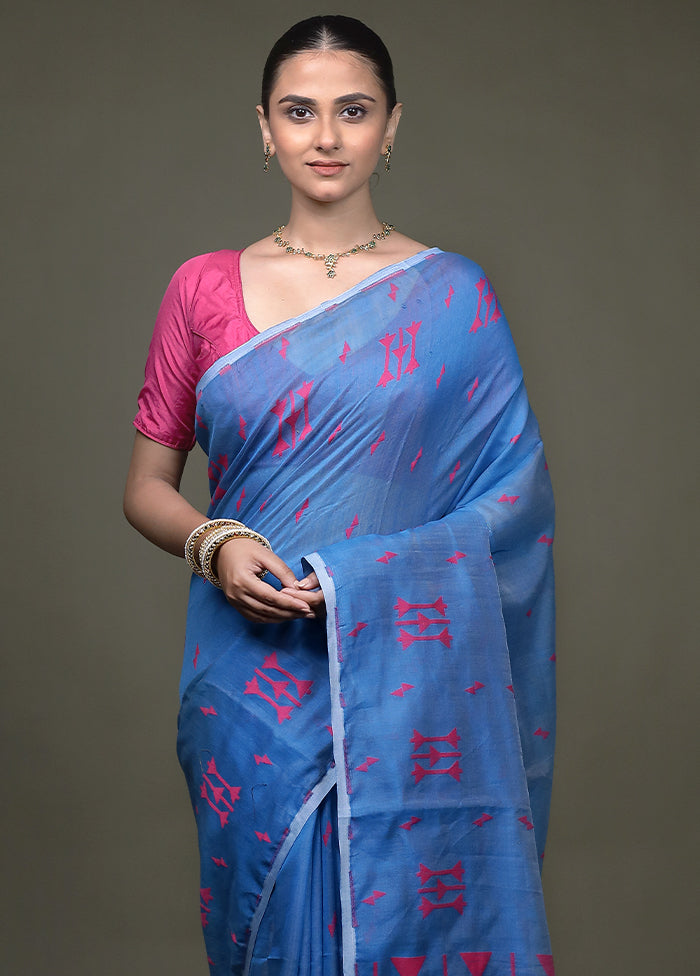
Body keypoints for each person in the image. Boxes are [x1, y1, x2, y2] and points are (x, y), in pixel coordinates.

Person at [124, 15, 556, 976]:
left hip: (406, 681)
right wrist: (217, 544)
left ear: (391, 125)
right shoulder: (202, 290)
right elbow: (147, 487)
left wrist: (362, 577)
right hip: (247, 686)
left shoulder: (456, 295)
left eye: (352, 111)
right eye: (299, 111)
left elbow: (514, 503)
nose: (325, 137)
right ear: (264, 127)